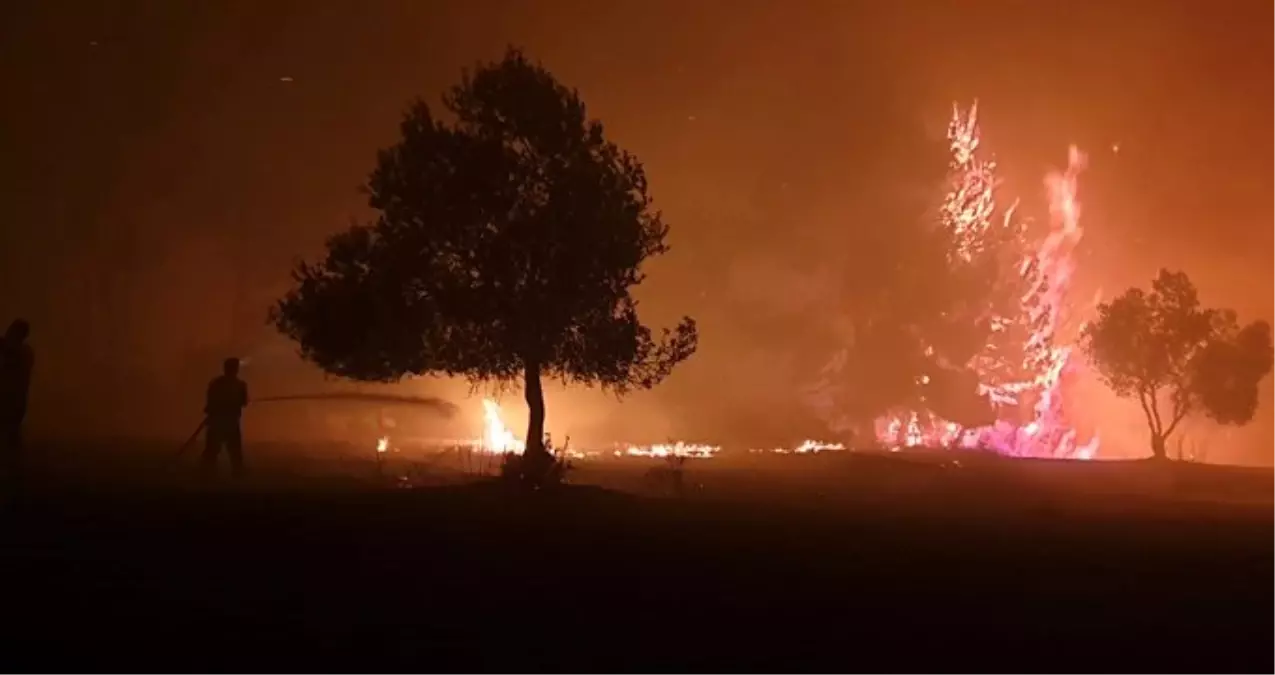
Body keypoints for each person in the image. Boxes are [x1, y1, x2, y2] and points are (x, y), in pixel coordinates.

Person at [202, 357, 249, 476]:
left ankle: (206, 474)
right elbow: (244, 402)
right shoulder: (240, 385)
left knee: (213, 451)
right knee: (233, 452)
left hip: (218, 422)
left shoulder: (216, 383)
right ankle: (236, 474)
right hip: (230, 423)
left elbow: (209, 404)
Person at [0, 319, 34, 479]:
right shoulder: (23, 352)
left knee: (10, 434)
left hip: (11, 403)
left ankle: (14, 472)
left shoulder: (23, 353)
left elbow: (9, 349)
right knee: (11, 435)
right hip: (13, 402)